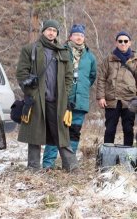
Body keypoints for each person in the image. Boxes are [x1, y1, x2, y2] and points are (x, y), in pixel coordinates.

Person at [16, 19, 77, 172]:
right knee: (34, 136)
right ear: (43, 31)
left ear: (57, 34)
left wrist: (65, 93)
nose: (51, 33)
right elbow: (21, 74)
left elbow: (69, 76)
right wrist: (32, 94)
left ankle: (71, 167)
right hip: (37, 101)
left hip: (58, 102)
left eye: (54, 31)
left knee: (62, 134)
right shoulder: (30, 49)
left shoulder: (63, 51)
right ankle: (33, 168)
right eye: (49, 29)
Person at [42, 24, 97, 168]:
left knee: (74, 132)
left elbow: (92, 76)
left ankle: (69, 164)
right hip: (61, 98)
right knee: (56, 131)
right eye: (76, 34)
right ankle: (48, 164)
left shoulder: (90, 56)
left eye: (82, 35)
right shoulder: (61, 51)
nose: (79, 37)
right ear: (70, 36)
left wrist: (81, 87)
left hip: (80, 100)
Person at [96, 31, 137, 146]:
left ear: (130, 43)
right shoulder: (108, 59)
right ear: (116, 43)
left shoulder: (136, 61)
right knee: (110, 129)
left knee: (128, 129)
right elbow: (101, 78)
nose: (123, 43)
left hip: (129, 100)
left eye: (125, 41)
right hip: (112, 99)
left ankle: (127, 157)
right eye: (120, 41)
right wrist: (101, 97)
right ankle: (107, 155)